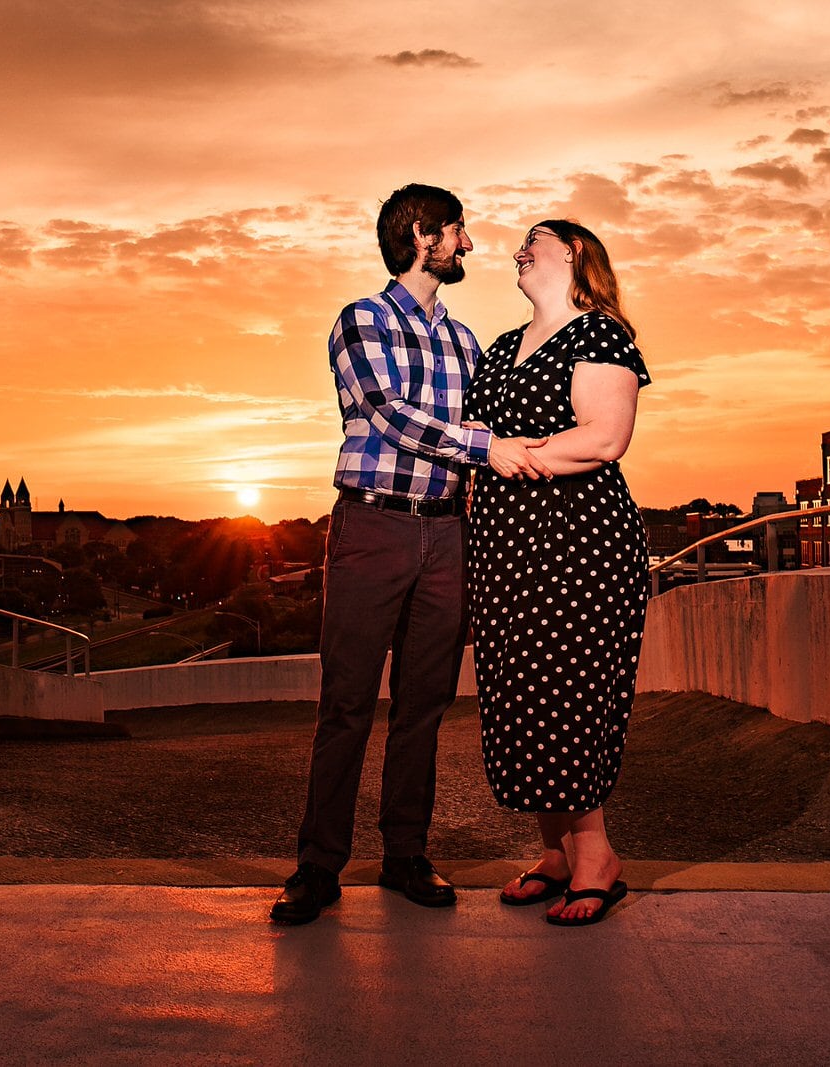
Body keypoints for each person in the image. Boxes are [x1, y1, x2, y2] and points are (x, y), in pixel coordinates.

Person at [271, 184, 553, 925]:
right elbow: (390, 416)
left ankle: (405, 855)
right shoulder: (360, 319)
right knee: (346, 704)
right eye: (458, 230)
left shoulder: (466, 342)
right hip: (372, 528)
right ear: (424, 235)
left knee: (424, 705)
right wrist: (486, 447)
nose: (469, 244)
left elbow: (496, 424)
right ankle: (318, 866)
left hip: (448, 533)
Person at [463, 219, 651, 926]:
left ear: (573, 253)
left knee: (564, 690)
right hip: (504, 542)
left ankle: (597, 857)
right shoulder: (502, 347)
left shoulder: (599, 334)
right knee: (516, 693)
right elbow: (476, 439)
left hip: (577, 540)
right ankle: (555, 853)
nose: (520, 247)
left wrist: (512, 453)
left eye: (535, 237)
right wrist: (494, 454)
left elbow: (604, 437)